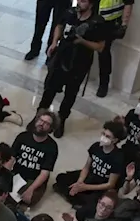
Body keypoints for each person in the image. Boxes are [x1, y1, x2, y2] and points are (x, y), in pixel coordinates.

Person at [38, 0, 109, 131]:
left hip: (79, 64)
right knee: (49, 88)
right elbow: (59, 25)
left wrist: (82, 41)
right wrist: (54, 42)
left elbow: (100, 47)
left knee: (70, 94)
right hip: (61, 58)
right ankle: (40, 116)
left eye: (83, 1)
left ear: (91, 4)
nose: (79, 3)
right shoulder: (70, 12)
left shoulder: (97, 22)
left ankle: (61, 119)